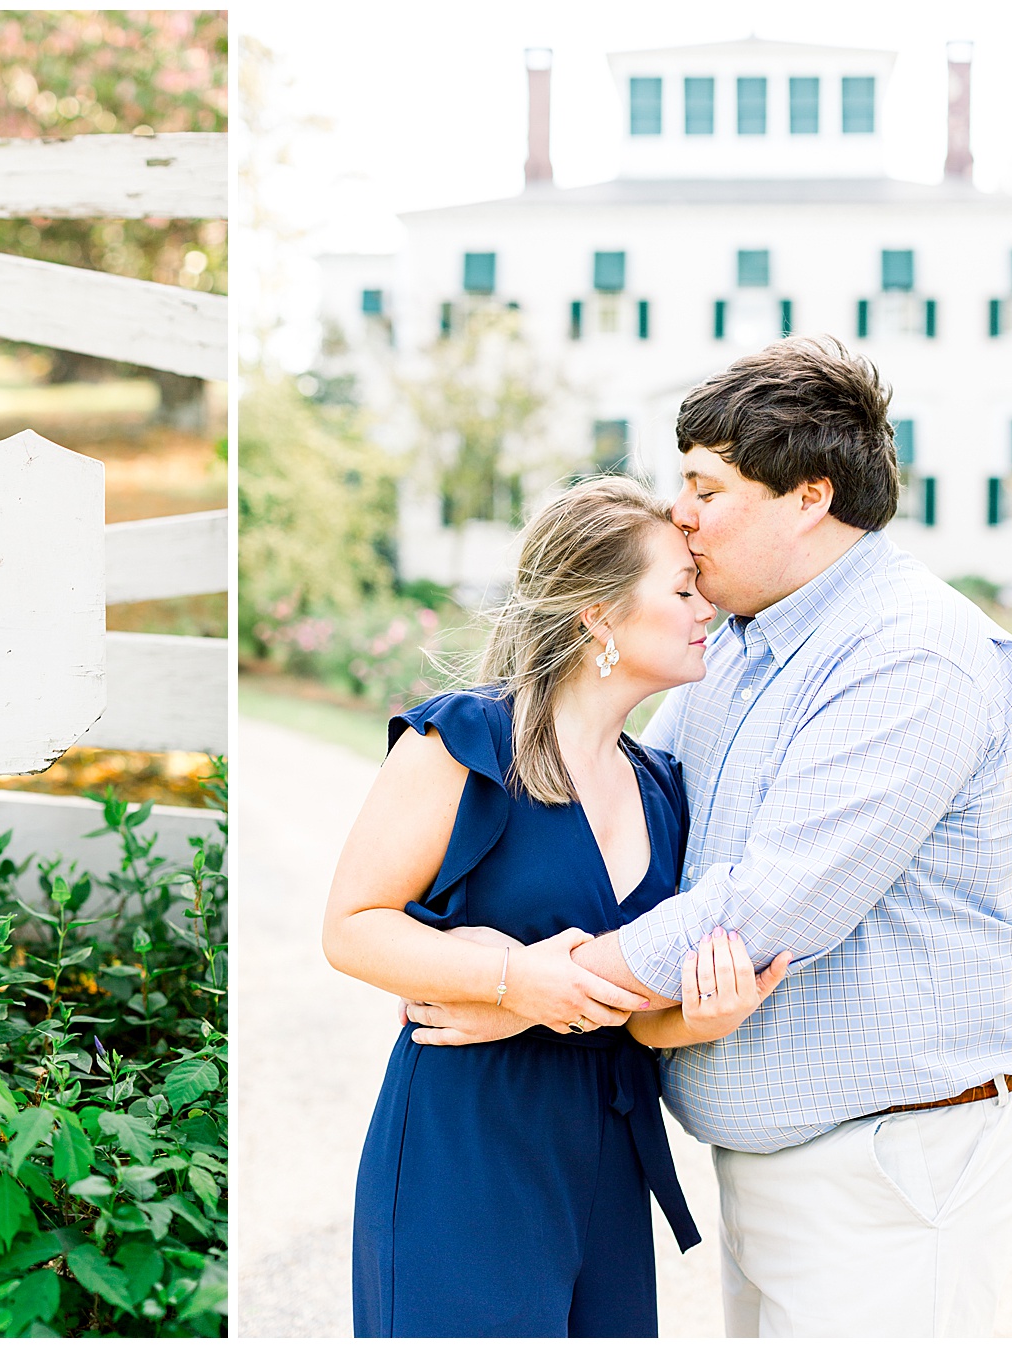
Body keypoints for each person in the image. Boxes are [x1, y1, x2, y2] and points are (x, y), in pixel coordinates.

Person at [406, 337, 1012, 1337]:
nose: (678, 512)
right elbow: (646, 833)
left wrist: (532, 992)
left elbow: (763, 907)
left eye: (705, 487)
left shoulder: (914, 654)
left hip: (896, 1163)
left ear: (808, 497)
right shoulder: (746, 647)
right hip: (790, 1161)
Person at [322, 477, 794, 1337]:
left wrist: (701, 1019)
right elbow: (350, 929)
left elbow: (637, 1018)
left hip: (609, 1154)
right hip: (467, 1146)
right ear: (599, 616)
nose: (707, 609)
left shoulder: (663, 789)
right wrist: (510, 979)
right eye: (682, 590)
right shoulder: (465, 742)